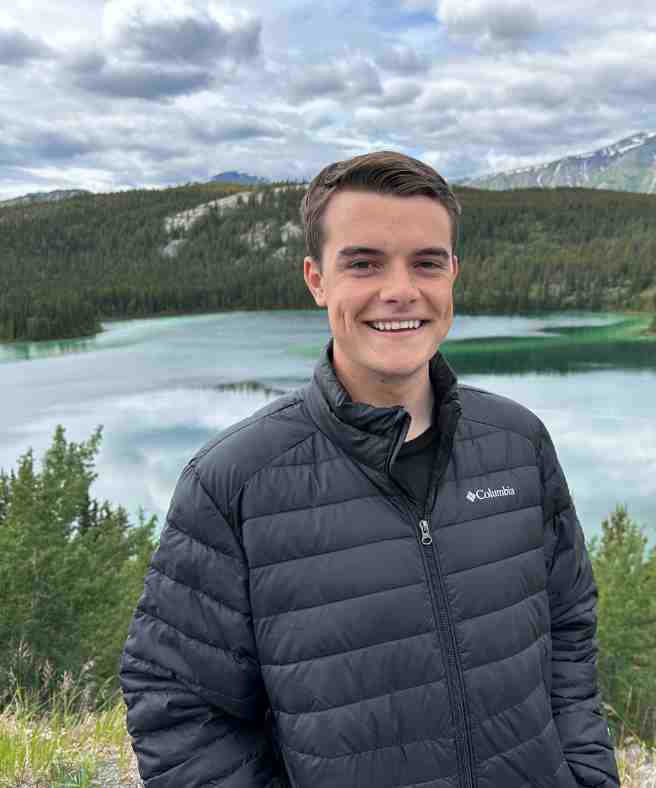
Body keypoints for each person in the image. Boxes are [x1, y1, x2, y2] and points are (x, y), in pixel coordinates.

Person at [120, 151, 621, 788]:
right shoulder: (236, 482)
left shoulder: (517, 444)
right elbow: (177, 703)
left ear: (453, 276)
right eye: (363, 263)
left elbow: (569, 629)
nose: (400, 291)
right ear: (316, 279)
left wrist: (585, 773)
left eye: (426, 263)